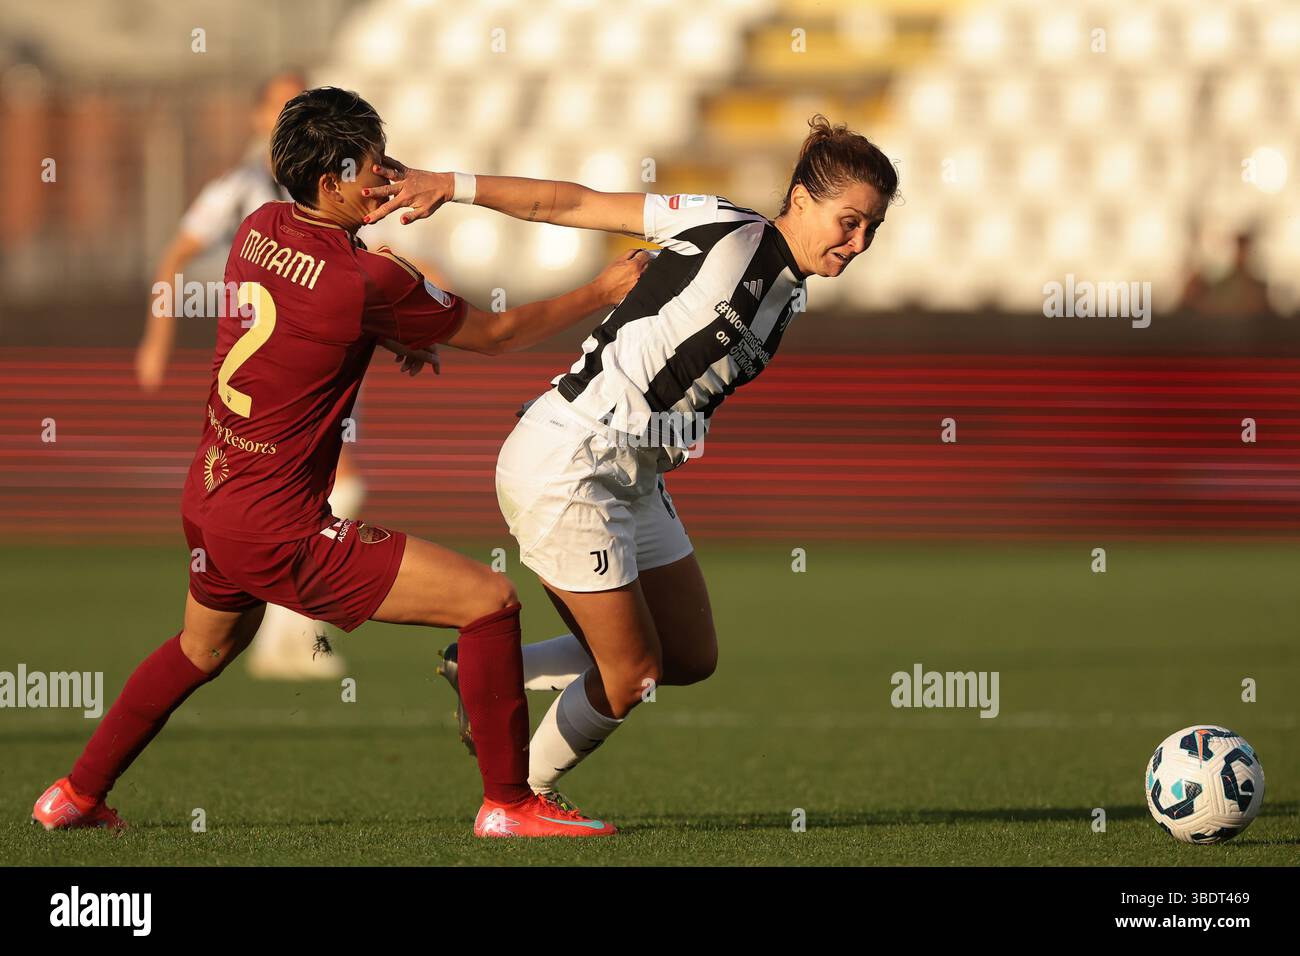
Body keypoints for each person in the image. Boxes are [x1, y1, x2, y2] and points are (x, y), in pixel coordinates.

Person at [33, 87, 649, 838]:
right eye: (373, 164)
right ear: (331, 183)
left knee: (201, 648)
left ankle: (75, 795)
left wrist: (391, 335)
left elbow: (304, 314)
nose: (387, 175)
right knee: (489, 602)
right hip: (279, 526)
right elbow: (495, 333)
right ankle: (509, 804)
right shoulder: (367, 279)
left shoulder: (259, 225)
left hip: (210, 494)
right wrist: (605, 287)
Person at [363, 115, 898, 798]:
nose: (858, 242)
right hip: (572, 459)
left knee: (689, 655)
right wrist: (450, 185)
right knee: (632, 673)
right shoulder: (722, 225)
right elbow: (574, 202)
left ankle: (482, 668)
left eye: (872, 229)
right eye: (848, 221)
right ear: (800, 200)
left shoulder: (789, 293)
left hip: (634, 477)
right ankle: (516, 798)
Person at [136, 71, 366, 679]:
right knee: (291, 492)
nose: (284, 112)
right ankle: (282, 637)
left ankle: (284, 636)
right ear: (257, 118)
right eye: (276, 102)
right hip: (267, 368)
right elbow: (176, 255)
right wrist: (158, 332)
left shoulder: (333, 182)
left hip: (321, 361)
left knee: (327, 489)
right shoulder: (239, 189)